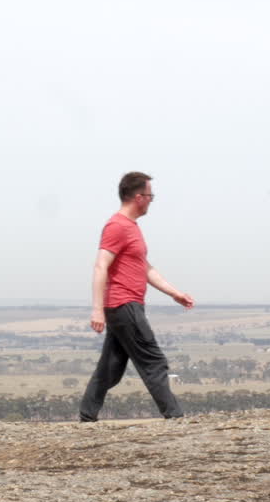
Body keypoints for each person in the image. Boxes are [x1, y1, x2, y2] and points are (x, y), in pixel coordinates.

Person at [79, 171, 194, 422]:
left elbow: (145, 268)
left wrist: (175, 293)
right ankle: (175, 416)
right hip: (123, 304)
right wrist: (97, 309)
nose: (152, 200)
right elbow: (100, 266)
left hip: (126, 305)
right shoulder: (117, 226)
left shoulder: (131, 228)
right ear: (139, 197)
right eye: (151, 195)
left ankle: (87, 416)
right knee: (154, 361)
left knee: (110, 368)